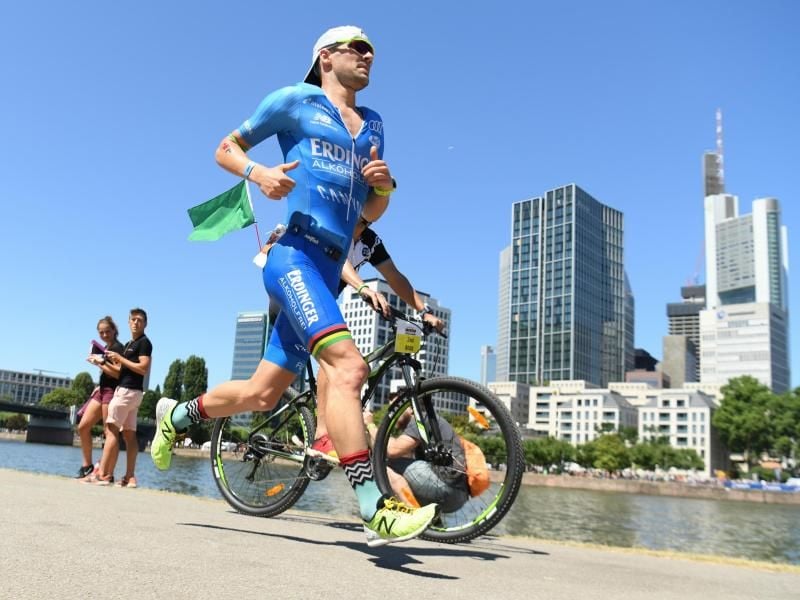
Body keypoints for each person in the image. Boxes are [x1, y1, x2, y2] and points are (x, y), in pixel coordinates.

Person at [150, 25, 436, 547]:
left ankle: (178, 414)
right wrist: (258, 174)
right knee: (347, 367)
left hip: (331, 268)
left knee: (262, 395)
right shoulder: (294, 100)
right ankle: (376, 505)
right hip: (294, 256)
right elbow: (225, 148)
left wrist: (385, 189)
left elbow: (365, 215)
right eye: (359, 47)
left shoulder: (373, 125)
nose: (370, 55)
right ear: (326, 57)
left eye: (373, 49)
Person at [309, 216, 445, 460]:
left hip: (326, 300)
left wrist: (424, 311)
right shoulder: (335, 224)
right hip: (305, 291)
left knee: (349, 363)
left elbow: (394, 276)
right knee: (333, 353)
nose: (363, 226)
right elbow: (339, 260)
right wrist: (362, 287)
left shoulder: (370, 241)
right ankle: (322, 433)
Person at [363, 391, 469, 513]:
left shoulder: (421, 420)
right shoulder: (422, 425)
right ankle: (431, 523)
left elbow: (391, 450)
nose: (391, 415)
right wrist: (366, 432)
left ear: (411, 409)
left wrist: (370, 425)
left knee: (381, 466)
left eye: (395, 409)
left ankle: (413, 515)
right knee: (384, 463)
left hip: (448, 489)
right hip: (456, 495)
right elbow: (385, 451)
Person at [85, 308, 152, 487]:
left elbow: (143, 368)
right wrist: (102, 363)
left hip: (126, 391)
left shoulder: (143, 343)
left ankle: (105, 475)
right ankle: (129, 477)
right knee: (129, 435)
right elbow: (120, 372)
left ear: (145, 324)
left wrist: (120, 359)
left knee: (111, 429)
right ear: (129, 322)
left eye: (139, 320)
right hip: (133, 393)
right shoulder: (131, 343)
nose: (136, 322)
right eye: (133, 319)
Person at [75, 316, 124, 479]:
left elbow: (118, 373)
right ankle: (87, 465)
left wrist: (99, 363)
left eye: (107, 331)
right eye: (101, 332)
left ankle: (108, 473)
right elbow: (107, 371)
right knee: (83, 426)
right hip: (101, 390)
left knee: (109, 432)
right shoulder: (106, 347)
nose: (104, 335)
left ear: (114, 331)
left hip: (112, 391)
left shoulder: (117, 347)